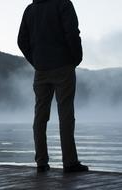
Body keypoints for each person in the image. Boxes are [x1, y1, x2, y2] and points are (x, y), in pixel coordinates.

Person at [18, 0, 89, 173]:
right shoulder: (63, 4)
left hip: (41, 69)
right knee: (65, 114)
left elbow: (21, 40)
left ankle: (41, 162)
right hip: (63, 65)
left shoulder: (30, 10)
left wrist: (36, 61)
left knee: (40, 115)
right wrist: (76, 58)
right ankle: (70, 162)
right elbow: (72, 32)